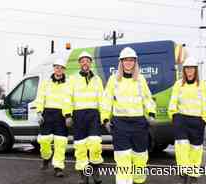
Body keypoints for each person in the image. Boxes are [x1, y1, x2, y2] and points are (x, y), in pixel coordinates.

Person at [101, 47, 157, 184]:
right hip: (120, 124)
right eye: (126, 60)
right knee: (122, 157)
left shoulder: (140, 80)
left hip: (139, 124)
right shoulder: (113, 80)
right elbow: (106, 100)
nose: (128, 63)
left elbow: (147, 98)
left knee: (140, 157)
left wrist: (151, 113)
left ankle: (138, 180)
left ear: (135, 62)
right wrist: (105, 119)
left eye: (131, 60)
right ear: (121, 62)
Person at [167, 57, 206, 184]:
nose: (189, 71)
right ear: (184, 70)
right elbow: (173, 101)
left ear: (195, 70)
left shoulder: (202, 85)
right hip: (181, 119)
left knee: (196, 148)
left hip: (197, 121)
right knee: (181, 147)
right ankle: (184, 171)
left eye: (192, 68)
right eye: (187, 68)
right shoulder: (178, 84)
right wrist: (174, 115)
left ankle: (193, 173)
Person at [34, 54, 72, 177]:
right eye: (57, 67)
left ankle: (58, 167)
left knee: (60, 143)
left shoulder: (68, 84)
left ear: (64, 69)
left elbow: (69, 100)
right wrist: (39, 112)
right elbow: (40, 98)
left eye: (61, 67)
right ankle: (46, 157)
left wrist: (68, 116)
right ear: (54, 68)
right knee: (44, 141)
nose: (59, 69)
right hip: (47, 115)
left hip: (61, 116)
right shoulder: (46, 83)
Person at [69, 51, 104, 184]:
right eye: (82, 61)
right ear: (79, 64)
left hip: (94, 115)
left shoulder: (97, 79)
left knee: (95, 145)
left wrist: (104, 117)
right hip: (78, 116)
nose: (85, 63)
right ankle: (84, 176)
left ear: (91, 63)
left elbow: (102, 99)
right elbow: (68, 98)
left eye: (87, 60)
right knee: (80, 147)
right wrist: (68, 115)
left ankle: (95, 172)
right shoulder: (72, 79)